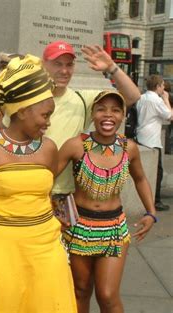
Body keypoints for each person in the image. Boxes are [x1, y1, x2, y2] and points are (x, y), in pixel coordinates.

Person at [0, 55, 77, 313]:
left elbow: (41, 191)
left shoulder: (48, 148)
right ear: (22, 111)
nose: (48, 122)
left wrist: (51, 214)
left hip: (45, 246)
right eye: (45, 115)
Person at [58, 90, 156, 313]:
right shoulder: (76, 145)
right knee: (80, 290)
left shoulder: (128, 148)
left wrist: (151, 212)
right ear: (92, 114)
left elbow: (140, 178)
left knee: (108, 295)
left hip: (114, 230)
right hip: (77, 229)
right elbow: (46, 178)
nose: (107, 115)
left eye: (115, 110)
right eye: (101, 109)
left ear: (123, 116)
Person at [42, 41, 141, 199]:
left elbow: (132, 96)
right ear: (43, 64)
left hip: (64, 195)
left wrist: (112, 67)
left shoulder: (82, 99)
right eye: (57, 64)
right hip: (33, 190)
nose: (64, 71)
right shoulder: (27, 101)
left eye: (69, 65)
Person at [136, 75, 172, 211]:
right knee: (158, 172)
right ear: (157, 86)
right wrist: (166, 99)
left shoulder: (142, 97)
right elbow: (170, 115)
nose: (164, 88)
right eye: (162, 85)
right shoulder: (156, 100)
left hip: (141, 135)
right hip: (152, 139)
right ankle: (156, 201)